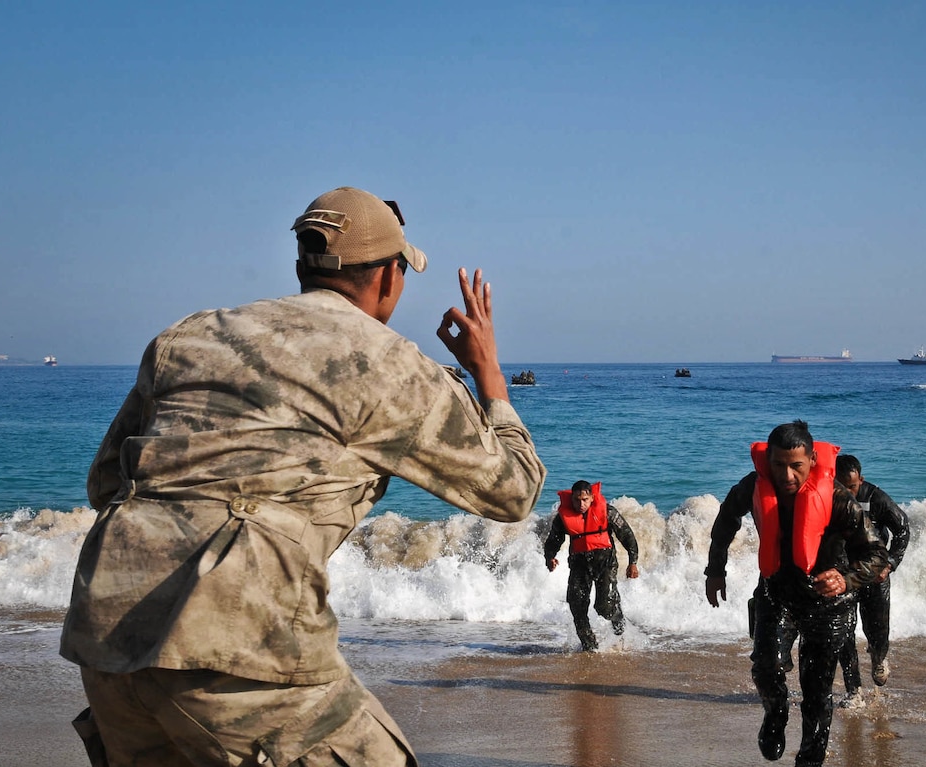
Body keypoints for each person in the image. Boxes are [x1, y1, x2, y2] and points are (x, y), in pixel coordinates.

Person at [60, 186, 547, 767]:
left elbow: (106, 484)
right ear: (391, 277)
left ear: (301, 266)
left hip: (107, 643)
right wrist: (487, 370)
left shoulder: (186, 337)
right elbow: (514, 490)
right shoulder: (388, 362)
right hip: (239, 644)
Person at [705, 420, 888, 766]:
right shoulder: (752, 486)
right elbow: (726, 520)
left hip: (829, 604)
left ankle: (809, 760)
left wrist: (846, 578)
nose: (787, 476)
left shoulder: (838, 499)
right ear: (768, 461)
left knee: (817, 692)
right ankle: (775, 712)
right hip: (777, 594)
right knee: (765, 668)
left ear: (812, 461)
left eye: (796, 467)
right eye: (778, 465)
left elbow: (876, 554)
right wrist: (715, 570)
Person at [831, 453, 910, 702]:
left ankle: (879, 657)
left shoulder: (876, 497)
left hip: (875, 574)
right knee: (845, 632)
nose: (849, 494)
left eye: (853, 487)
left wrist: (890, 563)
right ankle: (853, 691)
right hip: (845, 575)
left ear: (861, 480)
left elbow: (903, 528)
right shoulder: (829, 498)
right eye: (842, 487)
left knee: (877, 630)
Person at [544, 480, 640, 651]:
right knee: (577, 606)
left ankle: (620, 625)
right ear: (571, 499)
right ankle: (590, 647)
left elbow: (627, 536)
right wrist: (549, 557)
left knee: (604, 607)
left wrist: (633, 562)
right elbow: (554, 539)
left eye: (585, 500)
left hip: (605, 564)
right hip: (579, 565)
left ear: (592, 498)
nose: (581, 504)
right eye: (576, 500)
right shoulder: (563, 518)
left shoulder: (608, 512)